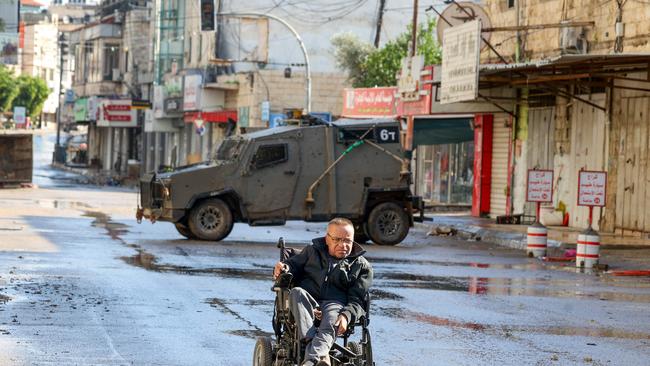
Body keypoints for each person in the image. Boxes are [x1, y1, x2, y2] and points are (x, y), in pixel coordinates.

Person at [273, 218, 373, 366]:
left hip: (335, 304)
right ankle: (321, 354)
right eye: (337, 239)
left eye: (347, 240)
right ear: (327, 239)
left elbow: (357, 299)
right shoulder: (312, 251)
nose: (343, 245)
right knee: (296, 292)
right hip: (307, 301)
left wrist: (346, 316)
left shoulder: (362, 266)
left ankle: (311, 361)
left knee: (333, 319)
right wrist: (284, 268)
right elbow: (292, 265)